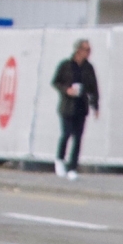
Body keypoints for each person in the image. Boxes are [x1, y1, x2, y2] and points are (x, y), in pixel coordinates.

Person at [50, 39, 98, 177]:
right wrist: (67, 90)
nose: (89, 53)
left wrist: (95, 105)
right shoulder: (66, 65)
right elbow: (56, 82)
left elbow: (93, 88)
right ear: (78, 50)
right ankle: (59, 160)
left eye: (89, 50)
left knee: (78, 137)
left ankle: (72, 167)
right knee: (66, 133)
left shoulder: (89, 68)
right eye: (86, 50)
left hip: (81, 106)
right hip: (67, 106)